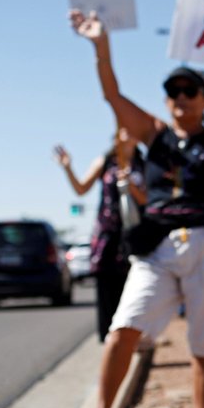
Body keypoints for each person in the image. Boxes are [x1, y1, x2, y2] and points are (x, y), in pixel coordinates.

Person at [69, 9, 204, 408]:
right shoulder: (153, 133)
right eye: (173, 91)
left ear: (201, 96)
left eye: (189, 90)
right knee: (124, 328)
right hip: (157, 247)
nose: (180, 97)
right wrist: (101, 45)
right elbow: (112, 95)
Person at [54, 130, 146, 341]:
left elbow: (147, 199)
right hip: (108, 234)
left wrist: (131, 184)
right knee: (107, 284)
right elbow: (81, 188)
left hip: (134, 232)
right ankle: (107, 336)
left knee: (133, 284)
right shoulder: (105, 163)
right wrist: (68, 167)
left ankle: (132, 336)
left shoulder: (143, 164)